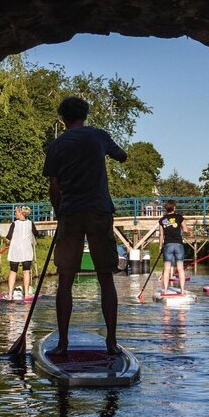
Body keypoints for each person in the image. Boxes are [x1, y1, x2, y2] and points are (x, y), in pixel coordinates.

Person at [43, 96, 128, 356]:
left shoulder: (56, 145)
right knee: (106, 277)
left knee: (65, 278)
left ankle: (63, 342)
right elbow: (122, 156)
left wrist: (60, 215)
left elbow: (54, 187)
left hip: (70, 211)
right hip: (99, 209)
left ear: (62, 118)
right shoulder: (98, 136)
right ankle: (111, 342)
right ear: (86, 114)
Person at [159, 200, 192, 294]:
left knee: (166, 269)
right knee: (180, 268)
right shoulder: (179, 217)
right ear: (174, 207)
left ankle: (165, 290)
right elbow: (185, 230)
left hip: (168, 244)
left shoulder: (162, 220)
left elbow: (161, 235)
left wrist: (160, 246)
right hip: (178, 244)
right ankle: (182, 291)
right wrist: (190, 230)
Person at [5, 205, 38, 300]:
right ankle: (27, 294)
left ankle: (10, 294)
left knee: (13, 271)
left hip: (15, 251)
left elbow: (8, 237)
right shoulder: (30, 223)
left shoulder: (14, 224)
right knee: (26, 272)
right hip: (27, 251)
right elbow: (36, 233)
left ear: (21, 213)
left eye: (16, 212)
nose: (15, 214)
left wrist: (6, 244)